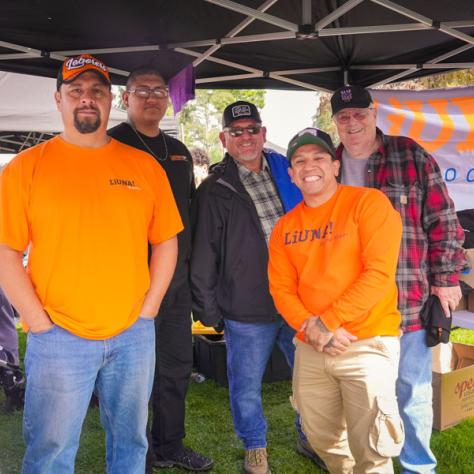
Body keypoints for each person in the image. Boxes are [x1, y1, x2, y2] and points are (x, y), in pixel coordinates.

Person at [0, 54, 183, 473]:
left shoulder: (143, 166)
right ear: (58, 99)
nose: (87, 98)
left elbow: (167, 242)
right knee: (50, 451)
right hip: (58, 335)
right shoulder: (26, 168)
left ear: (110, 100)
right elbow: (6, 252)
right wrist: (36, 320)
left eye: (96, 91)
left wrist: (148, 311)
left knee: (131, 444)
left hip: (132, 336)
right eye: (76, 91)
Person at [330, 85, 466, 474]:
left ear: (374, 113)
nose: (352, 122)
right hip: (351, 307)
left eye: (359, 113)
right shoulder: (329, 166)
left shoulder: (410, 154)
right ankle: (370, 463)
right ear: (335, 122)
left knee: (412, 391)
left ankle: (417, 466)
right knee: (361, 394)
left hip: (406, 300)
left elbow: (443, 221)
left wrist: (445, 280)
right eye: (343, 117)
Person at [268, 127, 404, 473]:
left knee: (373, 448)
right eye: (300, 161)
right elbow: (281, 289)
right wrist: (312, 329)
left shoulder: (368, 204)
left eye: (318, 158)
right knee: (322, 438)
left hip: (366, 342)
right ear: (291, 173)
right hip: (312, 347)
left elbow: (378, 274)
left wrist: (327, 323)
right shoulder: (284, 227)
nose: (309, 166)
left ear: (335, 165)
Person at [108, 67, 213, 472]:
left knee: (175, 368)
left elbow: (187, 215)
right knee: (131, 378)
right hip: (128, 283)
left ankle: (169, 444)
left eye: (158, 91)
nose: (151, 98)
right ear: (125, 98)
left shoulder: (179, 151)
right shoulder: (110, 144)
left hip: (176, 283)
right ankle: (138, 455)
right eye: (142, 91)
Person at [190, 101, 303, 474]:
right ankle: (255, 447)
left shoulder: (288, 172)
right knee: (245, 386)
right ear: (224, 138)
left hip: (299, 299)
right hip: (246, 306)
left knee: (309, 377)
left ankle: (312, 434)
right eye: (236, 132)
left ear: (263, 133)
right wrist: (208, 311)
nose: (245, 137)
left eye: (252, 129)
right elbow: (203, 255)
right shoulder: (214, 189)